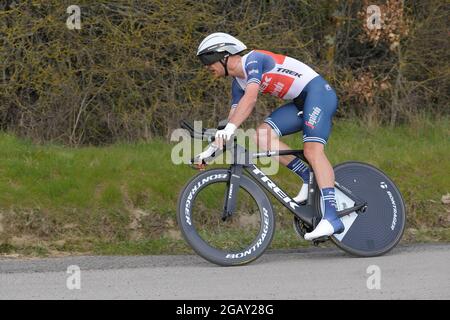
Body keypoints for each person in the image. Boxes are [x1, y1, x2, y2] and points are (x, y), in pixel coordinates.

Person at [196, 32, 344, 240]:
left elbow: (251, 98)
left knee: (312, 150)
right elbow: (232, 122)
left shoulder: (254, 60)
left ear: (224, 54)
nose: (205, 66)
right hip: (301, 103)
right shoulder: (238, 84)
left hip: (319, 94)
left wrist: (229, 129)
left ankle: (332, 217)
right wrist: (210, 151)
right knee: (262, 136)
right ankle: (306, 175)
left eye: (206, 60)